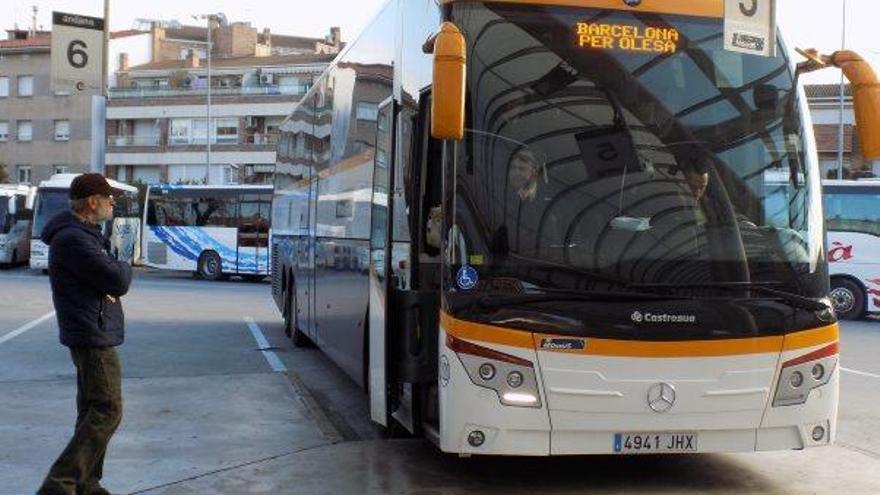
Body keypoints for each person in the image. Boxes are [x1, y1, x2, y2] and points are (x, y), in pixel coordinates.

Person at [37, 174, 133, 495]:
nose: (112, 204)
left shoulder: (84, 235)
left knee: (91, 409)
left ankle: (87, 483)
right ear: (93, 202)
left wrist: (115, 259)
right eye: (108, 199)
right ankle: (59, 485)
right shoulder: (74, 240)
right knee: (107, 409)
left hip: (92, 329)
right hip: (92, 334)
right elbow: (116, 281)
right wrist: (123, 257)